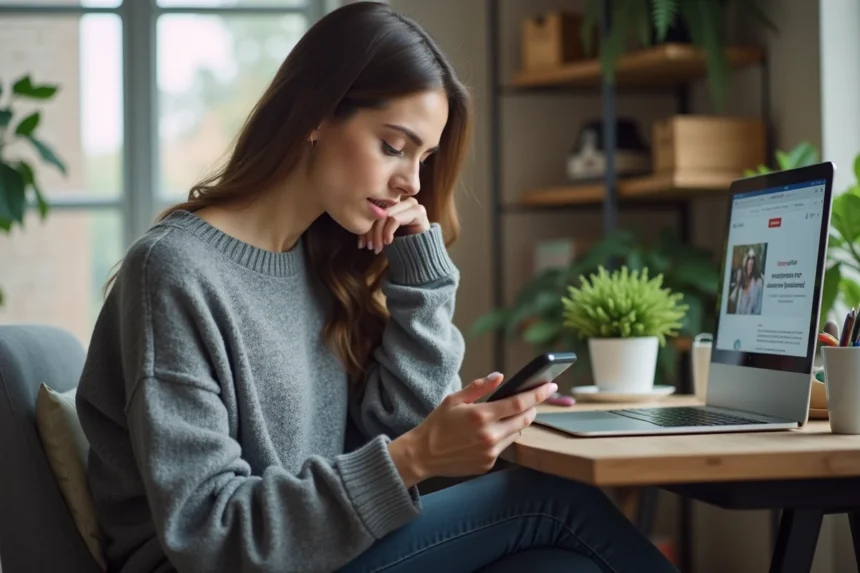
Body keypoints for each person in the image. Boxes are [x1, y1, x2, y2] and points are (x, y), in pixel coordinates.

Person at [75, 3, 680, 572]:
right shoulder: (174, 270)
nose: (410, 183)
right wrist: (418, 454)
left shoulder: (320, 259)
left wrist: (420, 275)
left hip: (323, 550)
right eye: (393, 146)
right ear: (315, 114)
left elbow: (400, 430)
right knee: (552, 500)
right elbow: (208, 532)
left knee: (562, 566)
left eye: (423, 158)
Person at [736, 248, 764, 315]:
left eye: (752, 260)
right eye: (749, 259)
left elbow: (759, 308)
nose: (751, 262)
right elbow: (738, 304)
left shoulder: (758, 282)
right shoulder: (742, 279)